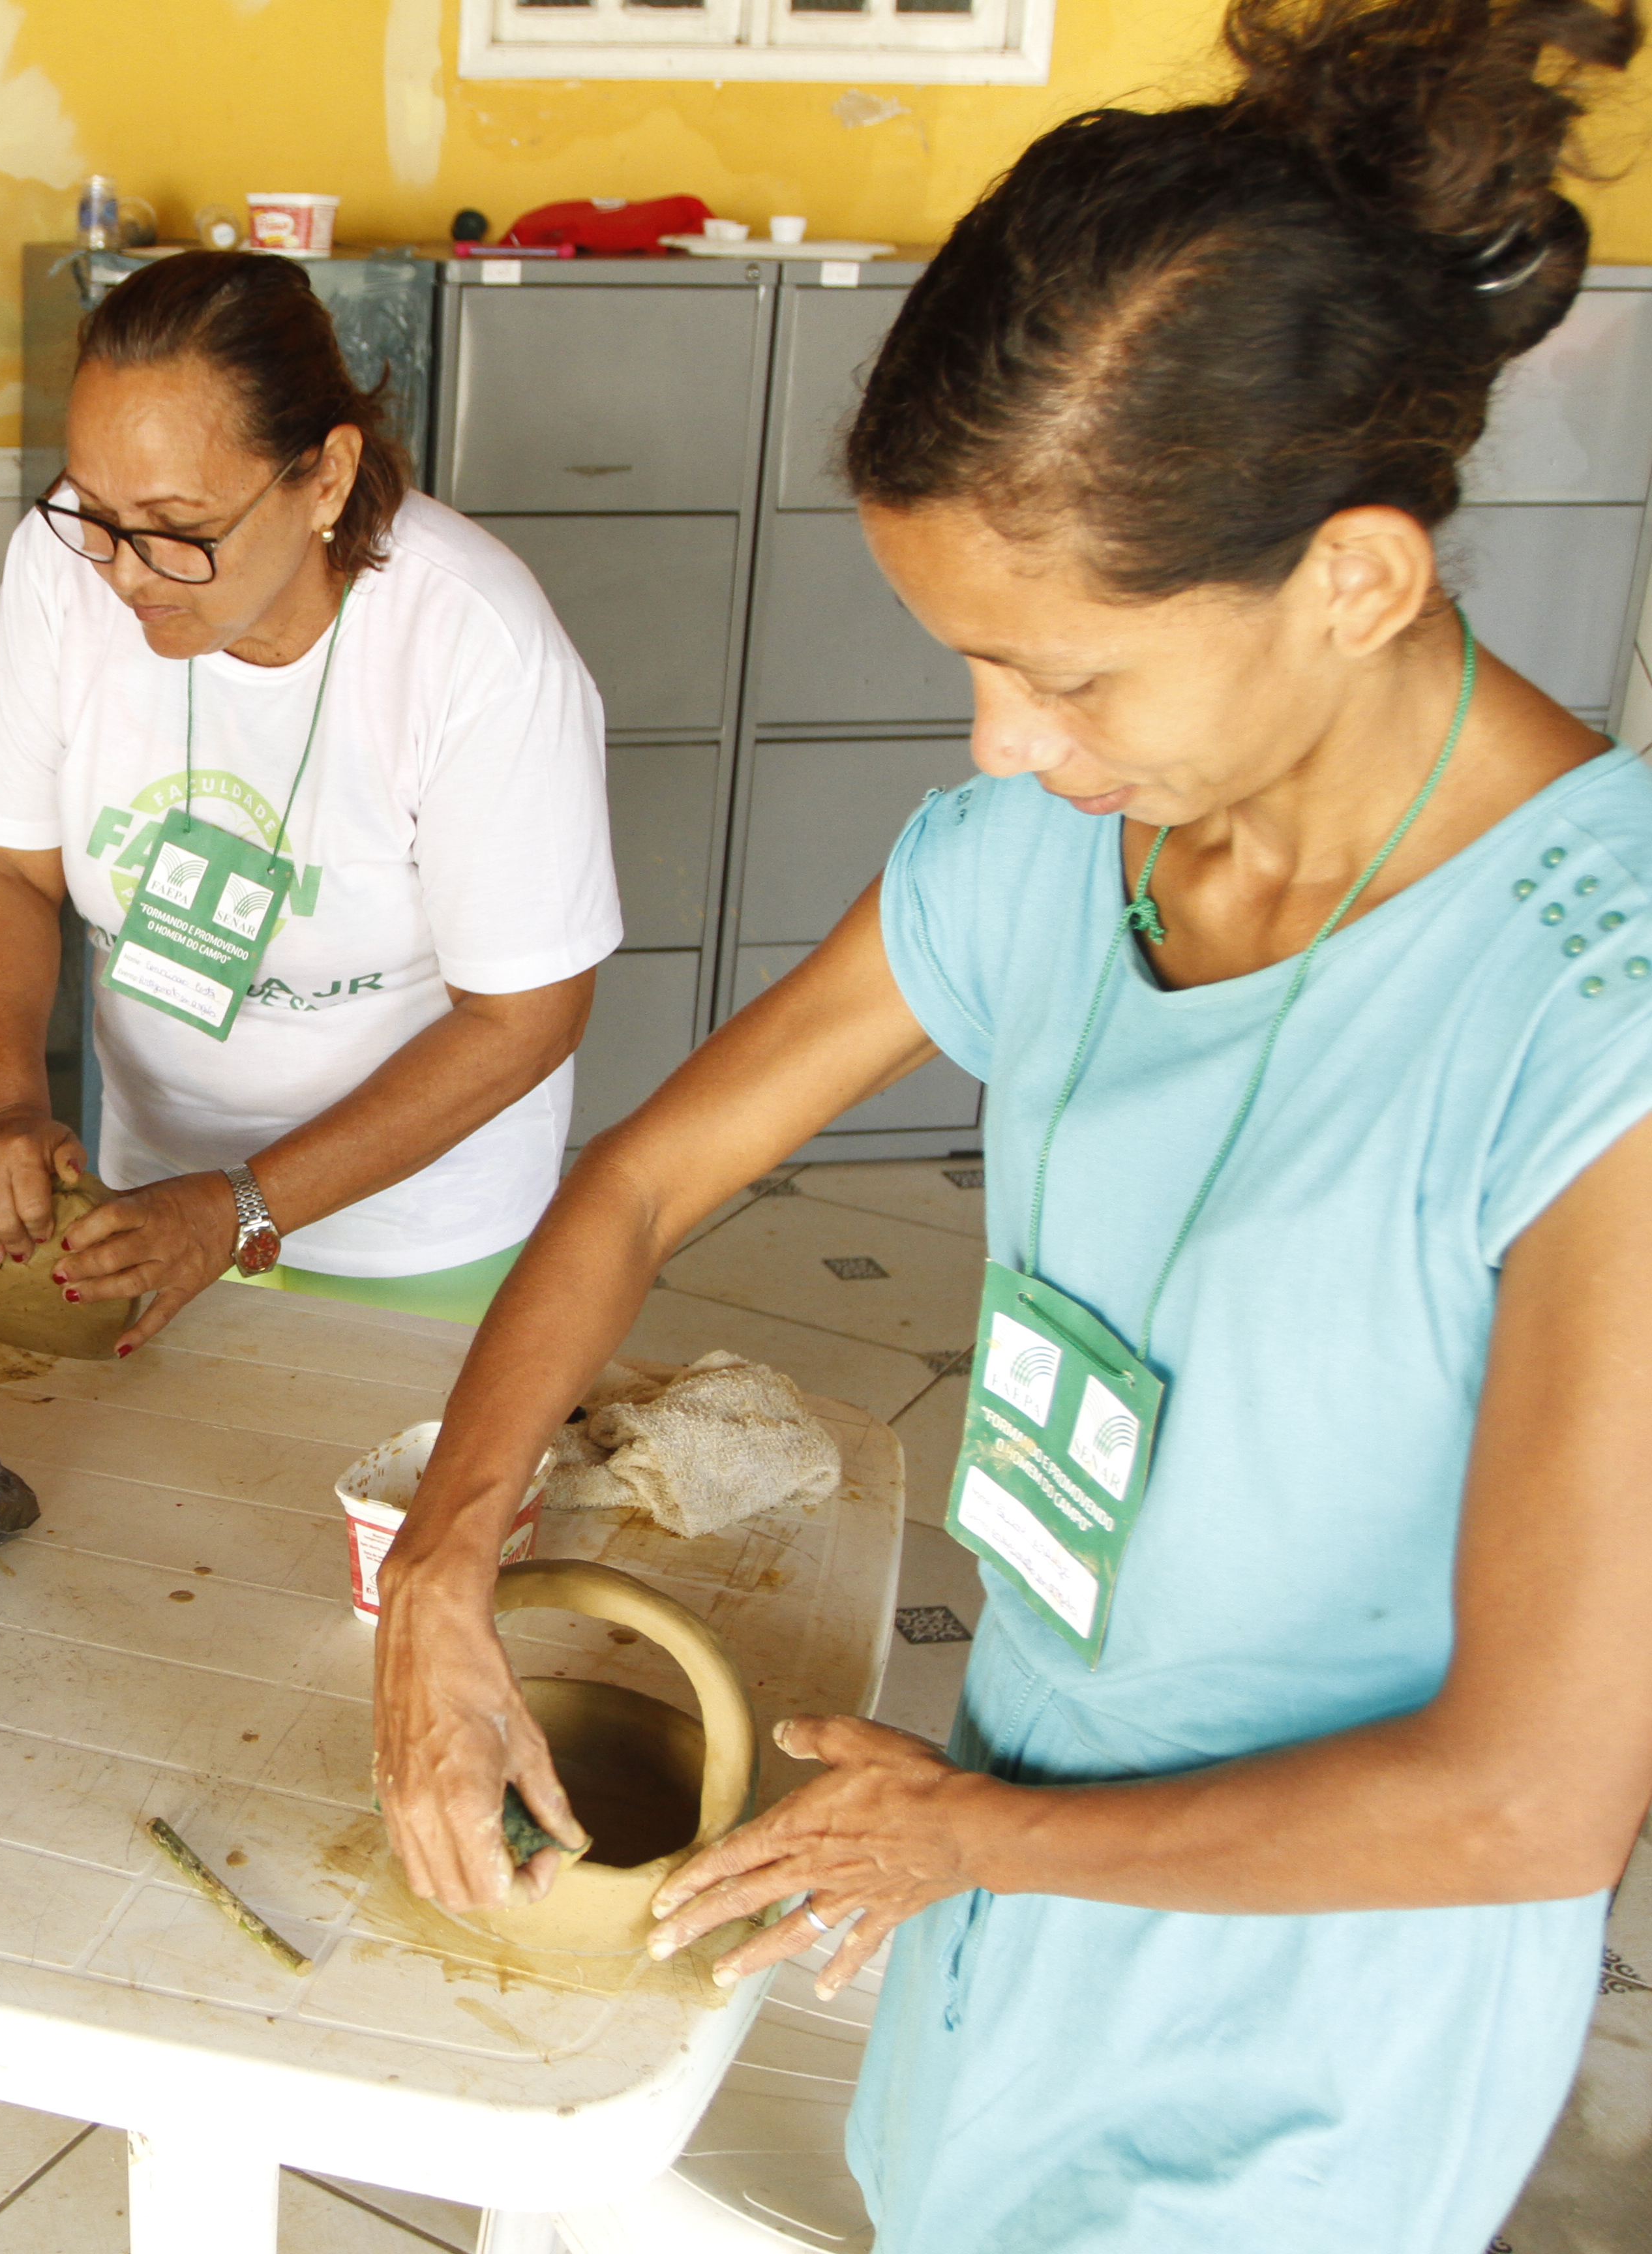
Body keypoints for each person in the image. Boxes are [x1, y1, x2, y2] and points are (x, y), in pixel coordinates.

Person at [370, 0, 1652, 2244]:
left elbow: (1526, 1804)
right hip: (1014, 1858)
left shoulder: (1587, 1008)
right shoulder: (1050, 859)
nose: (997, 745)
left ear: (1352, 579)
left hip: (1311, 2032)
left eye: (1068, 675)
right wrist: (444, 1573)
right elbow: (645, 1176)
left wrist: (968, 1840)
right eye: (965, 660)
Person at [0, 251, 618, 1351]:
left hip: (414, 1233)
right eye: (95, 512)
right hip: (151, 1194)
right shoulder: (65, 568)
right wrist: (9, 1102)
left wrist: (243, 1206)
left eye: (178, 528)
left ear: (325, 480)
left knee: (365, 1514)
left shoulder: (470, 644)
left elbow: (522, 1018)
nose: (123, 570)